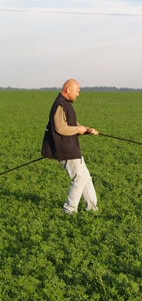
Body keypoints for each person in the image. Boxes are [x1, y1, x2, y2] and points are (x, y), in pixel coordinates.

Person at [41, 78, 99, 214]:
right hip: (64, 148)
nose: (78, 94)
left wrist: (86, 129)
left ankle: (92, 208)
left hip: (70, 147)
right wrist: (78, 130)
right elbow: (60, 128)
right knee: (79, 177)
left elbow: (72, 123)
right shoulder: (60, 104)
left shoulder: (65, 104)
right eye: (77, 91)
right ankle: (69, 210)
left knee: (85, 176)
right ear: (68, 90)